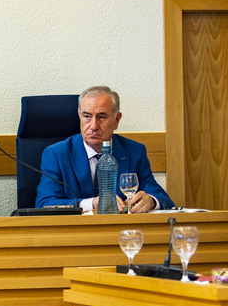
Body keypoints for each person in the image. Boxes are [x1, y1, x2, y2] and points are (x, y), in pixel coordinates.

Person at [36, 86, 174, 212]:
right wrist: (92, 203)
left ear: (117, 120)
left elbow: (163, 198)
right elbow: (45, 204)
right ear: (79, 116)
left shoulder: (135, 152)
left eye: (101, 117)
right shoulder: (57, 154)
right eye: (87, 116)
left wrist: (151, 201)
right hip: (73, 234)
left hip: (121, 232)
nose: (93, 126)